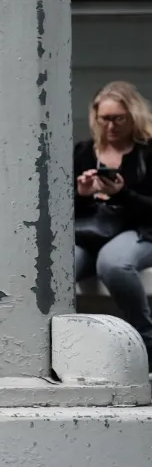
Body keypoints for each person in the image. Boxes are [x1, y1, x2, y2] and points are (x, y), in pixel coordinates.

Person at [73, 81, 152, 354]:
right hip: (90, 232)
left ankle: (145, 340)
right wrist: (82, 193)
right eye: (104, 119)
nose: (111, 126)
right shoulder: (83, 152)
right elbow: (66, 211)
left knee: (114, 264)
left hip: (139, 230)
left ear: (133, 116)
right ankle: (67, 344)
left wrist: (121, 193)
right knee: (58, 268)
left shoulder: (147, 152)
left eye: (119, 119)